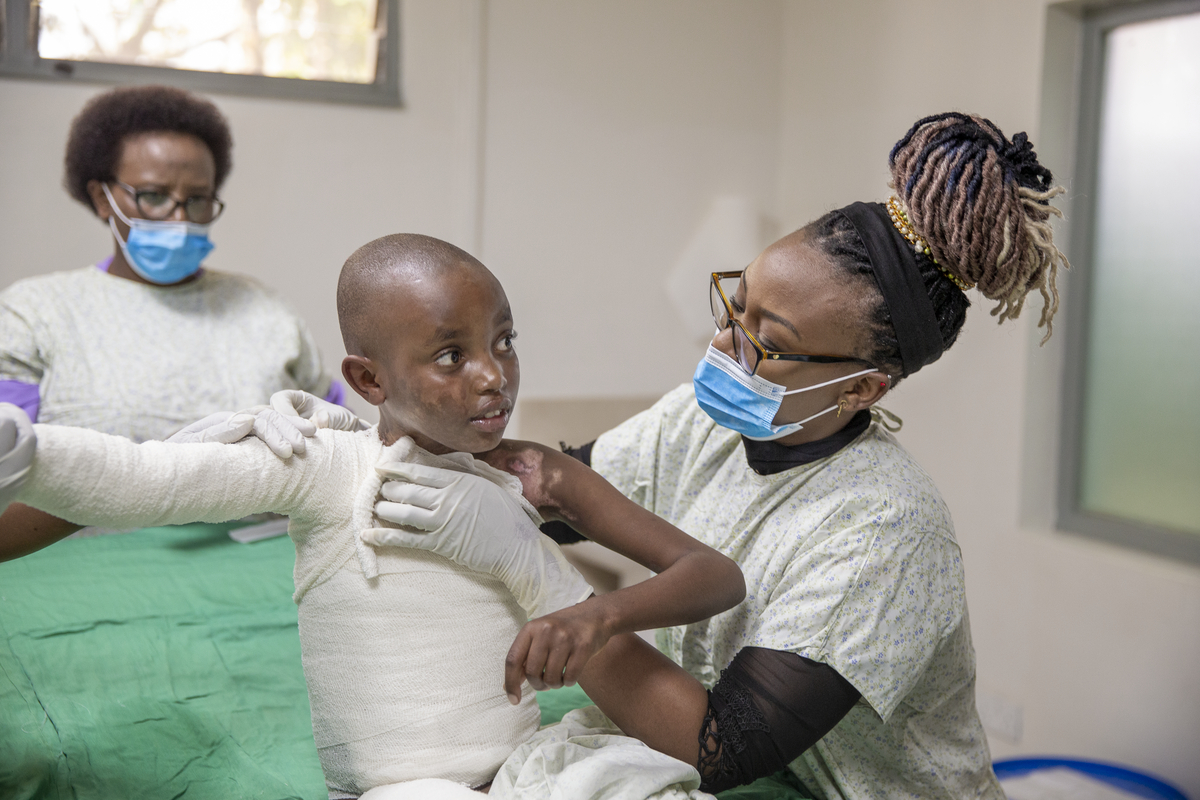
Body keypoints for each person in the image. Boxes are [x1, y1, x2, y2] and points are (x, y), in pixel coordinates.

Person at [352, 113, 1070, 799]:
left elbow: (718, 748)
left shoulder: (885, 531)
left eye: (772, 341)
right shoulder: (708, 421)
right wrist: (380, 448)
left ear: (861, 388)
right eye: (738, 304)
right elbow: (562, 493)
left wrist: (540, 575)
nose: (727, 344)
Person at [0, 233, 745, 798]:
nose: (495, 375)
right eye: (451, 356)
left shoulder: (531, 475)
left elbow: (715, 575)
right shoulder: (326, 465)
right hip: (405, 785)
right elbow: (148, 482)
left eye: (505, 342)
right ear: (367, 378)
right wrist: (28, 454)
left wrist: (577, 596)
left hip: (524, 764)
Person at [0, 84, 337, 555]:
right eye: (154, 196)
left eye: (198, 200)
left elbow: (342, 443)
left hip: (259, 563)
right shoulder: (33, 314)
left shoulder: (264, 310)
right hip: (76, 565)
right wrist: (156, 474)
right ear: (102, 198)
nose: (179, 218)